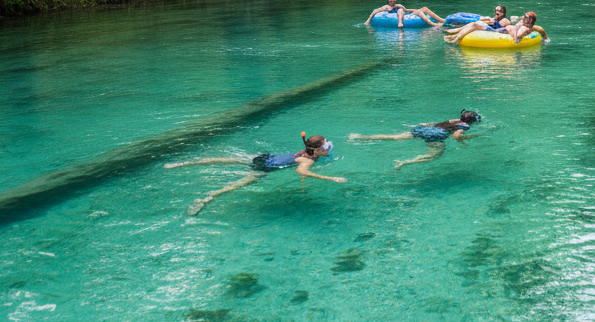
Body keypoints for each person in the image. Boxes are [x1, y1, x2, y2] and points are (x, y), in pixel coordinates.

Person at [165, 133, 344, 216]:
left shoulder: (306, 151)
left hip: (265, 157)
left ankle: (183, 164)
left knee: (229, 159)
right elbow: (301, 171)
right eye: (326, 147)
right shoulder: (308, 160)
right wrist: (331, 178)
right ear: (318, 150)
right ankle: (207, 198)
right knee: (239, 184)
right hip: (265, 167)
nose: (329, 148)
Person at [348, 110, 482, 170]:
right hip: (436, 135)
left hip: (423, 129)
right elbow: (456, 135)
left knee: (394, 137)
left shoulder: (453, 120)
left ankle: (359, 137)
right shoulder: (465, 126)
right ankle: (405, 162)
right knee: (434, 156)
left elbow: (432, 124)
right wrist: (464, 141)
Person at [365, 0, 444, 27]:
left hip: (407, 16)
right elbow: (375, 11)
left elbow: (407, 11)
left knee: (424, 8)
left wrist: (417, 10)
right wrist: (368, 21)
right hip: (397, 18)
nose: (393, 0)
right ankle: (433, 24)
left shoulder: (399, 5)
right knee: (401, 10)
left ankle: (441, 20)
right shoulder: (386, 7)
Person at [444, 5, 511, 44]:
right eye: (496, 11)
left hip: (494, 32)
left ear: (503, 13)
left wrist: (491, 20)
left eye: (499, 11)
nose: (497, 12)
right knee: (474, 24)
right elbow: (491, 22)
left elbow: (497, 26)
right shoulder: (495, 18)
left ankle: (455, 39)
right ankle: (455, 34)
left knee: (475, 25)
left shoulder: (505, 20)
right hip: (489, 29)